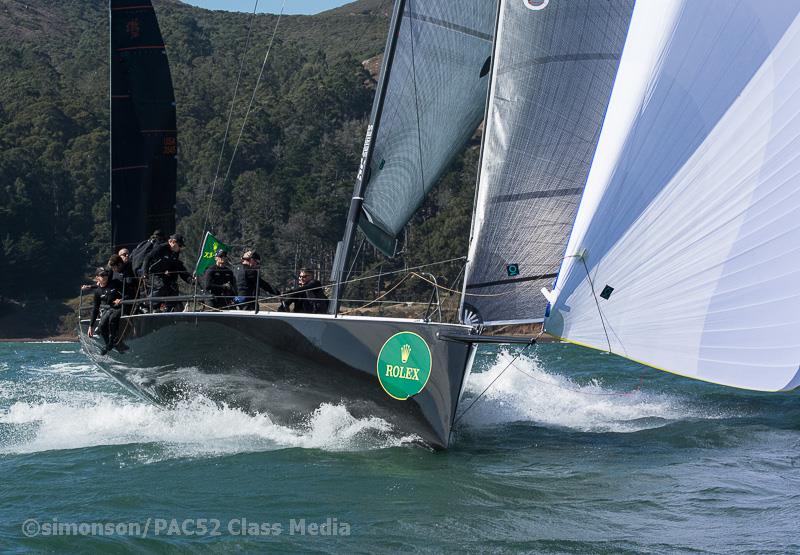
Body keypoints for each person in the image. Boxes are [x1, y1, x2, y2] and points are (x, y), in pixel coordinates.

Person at [142, 233, 193, 312]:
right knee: (161, 286)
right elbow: (147, 257)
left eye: (181, 247)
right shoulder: (161, 248)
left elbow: (178, 268)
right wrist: (144, 273)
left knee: (173, 287)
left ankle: (167, 308)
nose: (180, 248)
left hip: (163, 275)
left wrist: (190, 280)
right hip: (152, 274)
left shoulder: (176, 253)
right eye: (179, 245)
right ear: (172, 242)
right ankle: (146, 304)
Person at [87, 268, 125, 355]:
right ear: (97, 278)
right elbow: (95, 309)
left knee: (112, 318)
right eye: (102, 275)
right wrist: (91, 326)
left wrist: (122, 299)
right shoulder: (97, 292)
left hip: (121, 307)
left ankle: (111, 344)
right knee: (102, 326)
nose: (105, 276)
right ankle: (110, 344)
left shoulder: (114, 283)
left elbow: (127, 292)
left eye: (106, 275)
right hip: (110, 308)